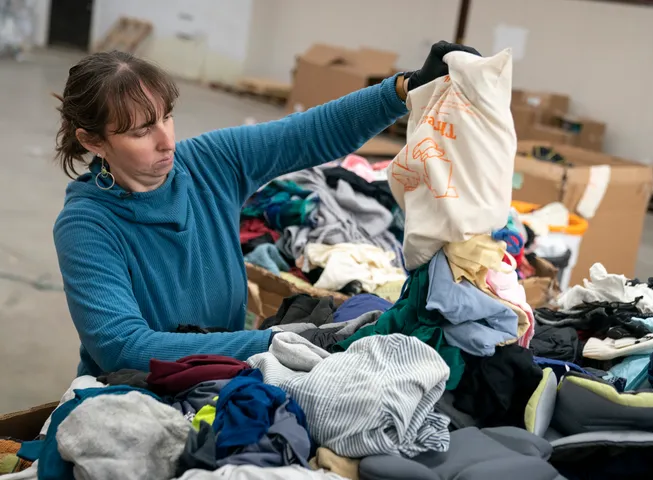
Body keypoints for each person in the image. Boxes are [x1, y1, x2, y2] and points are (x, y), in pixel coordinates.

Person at [53, 41, 480, 377]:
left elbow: (310, 133)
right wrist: (273, 342)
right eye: (141, 130)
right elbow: (122, 348)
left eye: (166, 117)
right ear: (93, 141)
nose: (166, 140)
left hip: (225, 374)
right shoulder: (87, 225)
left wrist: (403, 89)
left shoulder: (207, 162)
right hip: (136, 390)